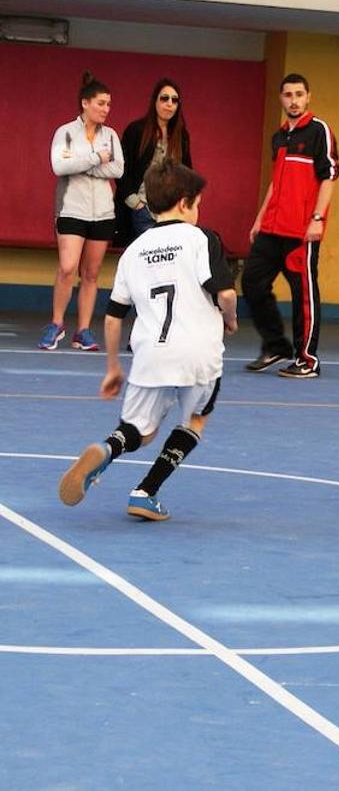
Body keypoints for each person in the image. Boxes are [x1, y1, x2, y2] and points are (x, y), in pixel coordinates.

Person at [58, 159, 238, 522]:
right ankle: (146, 491)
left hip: (150, 354)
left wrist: (112, 368)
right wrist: (229, 319)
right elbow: (227, 295)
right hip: (198, 352)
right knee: (195, 420)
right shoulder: (202, 238)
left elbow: (112, 318)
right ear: (185, 203)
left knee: (140, 430)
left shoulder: (134, 251)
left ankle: (107, 449)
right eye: (198, 203)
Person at [241, 73, 339, 378]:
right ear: (281, 98)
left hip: (302, 231)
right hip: (272, 228)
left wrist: (317, 218)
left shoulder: (319, 131)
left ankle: (307, 359)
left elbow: (330, 177)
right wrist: (259, 218)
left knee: (304, 296)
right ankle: (275, 345)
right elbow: (275, 183)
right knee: (252, 282)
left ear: (308, 97)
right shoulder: (279, 135)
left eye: (299, 94)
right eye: (288, 95)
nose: (294, 100)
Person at [40, 72, 124, 352]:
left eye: (109, 104)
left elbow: (118, 169)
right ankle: (56, 324)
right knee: (67, 268)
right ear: (85, 103)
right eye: (101, 103)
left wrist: (83, 163)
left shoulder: (110, 135)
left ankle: (83, 331)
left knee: (91, 273)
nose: (106, 109)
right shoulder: (65, 132)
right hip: (71, 209)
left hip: (102, 212)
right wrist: (95, 158)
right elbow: (59, 166)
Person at [117, 78, 193, 243]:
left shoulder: (181, 135)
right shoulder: (137, 130)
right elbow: (120, 168)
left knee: (165, 265)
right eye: (164, 98)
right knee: (143, 263)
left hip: (170, 213)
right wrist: (135, 203)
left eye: (174, 100)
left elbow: (187, 174)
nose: (169, 104)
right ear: (155, 101)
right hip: (142, 209)